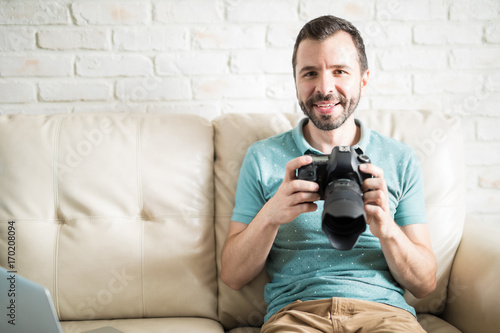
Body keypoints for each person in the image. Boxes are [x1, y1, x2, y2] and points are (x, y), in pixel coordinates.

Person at [221, 15, 437, 333]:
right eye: (310, 73)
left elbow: (425, 283)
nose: (324, 88)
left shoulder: (398, 158)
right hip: (295, 316)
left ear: (363, 79)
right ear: (295, 81)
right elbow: (232, 275)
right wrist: (271, 215)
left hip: (385, 316)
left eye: (340, 71)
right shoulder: (263, 158)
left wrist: (387, 229)